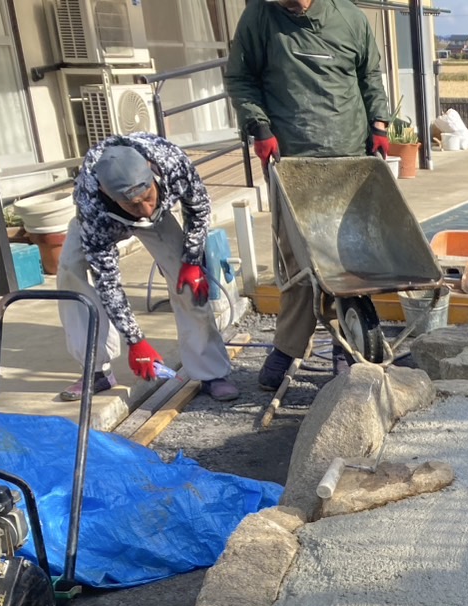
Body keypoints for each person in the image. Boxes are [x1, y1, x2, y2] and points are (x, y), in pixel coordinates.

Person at [224, 0, 395, 390]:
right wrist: (260, 127)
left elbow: (370, 74)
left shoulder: (350, 18)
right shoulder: (260, 18)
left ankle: (344, 345)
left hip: (349, 158)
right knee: (298, 261)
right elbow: (241, 78)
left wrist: (379, 125)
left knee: (348, 257)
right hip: (292, 161)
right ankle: (287, 347)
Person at [57, 134, 239, 402]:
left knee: (186, 282)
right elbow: (107, 281)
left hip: (161, 219)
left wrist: (191, 260)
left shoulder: (172, 164)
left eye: (148, 196)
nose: (143, 209)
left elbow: (198, 209)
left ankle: (210, 372)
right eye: (133, 204)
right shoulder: (91, 204)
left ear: (153, 174)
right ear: (108, 194)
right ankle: (96, 370)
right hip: (106, 221)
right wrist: (135, 341)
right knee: (70, 269)